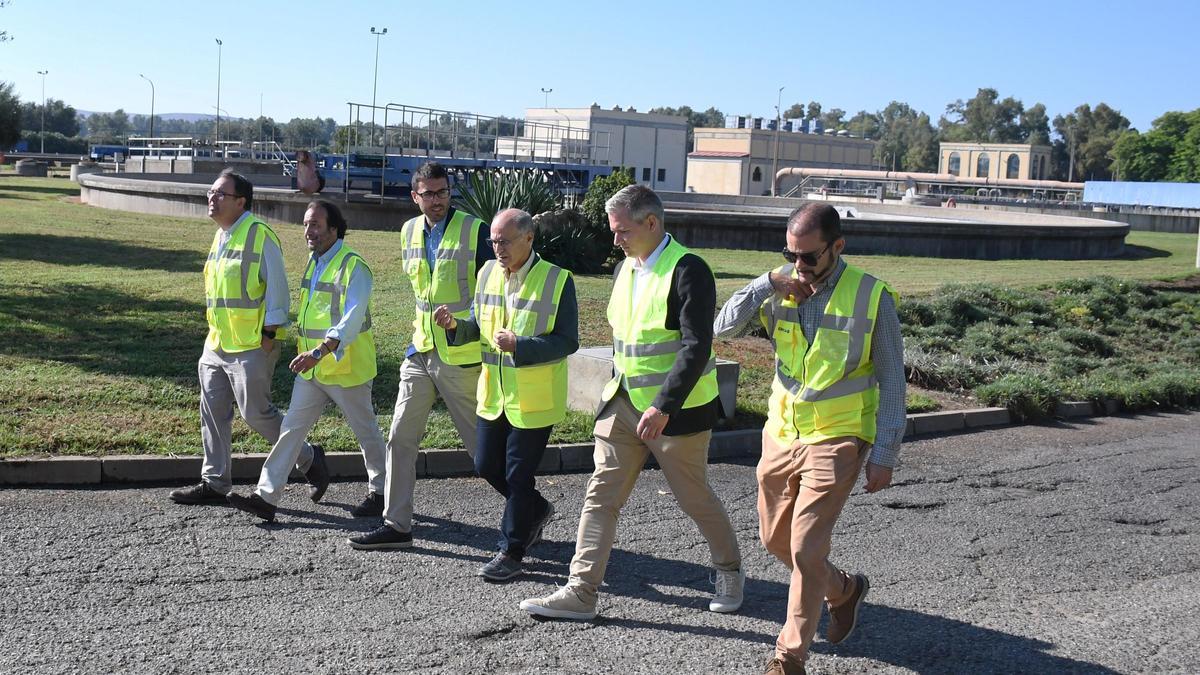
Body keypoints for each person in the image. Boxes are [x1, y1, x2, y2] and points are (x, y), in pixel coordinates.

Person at [520, 185, 743, 620]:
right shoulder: (624, 269)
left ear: (651, 223)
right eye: (614, 231)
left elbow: (696, 346)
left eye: (622, 231)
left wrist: (663, 406)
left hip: (676, 413)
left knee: (694, 497)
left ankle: (729, 570)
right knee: (600, 495)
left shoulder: (688, 270)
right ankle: (581, 592)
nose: (615, 239)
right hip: (621, 402)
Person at [713, 203, 906, 675]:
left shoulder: (871, 296)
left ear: (837, 246)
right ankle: (843, 590)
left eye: (809, 256)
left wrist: (885, 452)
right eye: (790, 254)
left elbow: (892, 381)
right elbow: (723, 327)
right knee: (774, 538)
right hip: (782, 432)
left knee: (804, 547)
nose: (799, 265)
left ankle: (789, 656)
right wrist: (766, 282)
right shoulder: (779, 284)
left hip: (839, 435)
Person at [348, 162, 492, 550]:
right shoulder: (408, 231)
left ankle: (528, 508)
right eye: (428, 194)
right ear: (415, 196)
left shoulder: (475, 230)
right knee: (400, 437)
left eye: (443, 191)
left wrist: (464, 324)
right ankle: (397, 524)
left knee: (481, 449)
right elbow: (422, 293)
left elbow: (492, 290)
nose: (437, 200)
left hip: (461, 353)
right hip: (420, 349)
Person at [434, 208, 579, 581]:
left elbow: (567, 341)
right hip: (493, 394)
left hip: (534, 399)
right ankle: (537, 509)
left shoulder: (557, 280)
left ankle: (512, 551)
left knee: (517, 475)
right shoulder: (487, 273)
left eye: (505, 241)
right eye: (493, 241)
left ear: (529, 238)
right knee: (485, 465)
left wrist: (521, 345)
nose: (497, 248)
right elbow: (479, 327)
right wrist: (455, 327)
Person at [226, 200, 388, 522]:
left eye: (315, 224)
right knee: (291, 430)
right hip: (312, 370)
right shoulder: (315, 263)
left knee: (366, 433)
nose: (308, 231)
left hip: (346, 368)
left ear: (334, 228)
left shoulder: (354, 266)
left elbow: (351, 320)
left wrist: (318, 352)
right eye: (305, 225)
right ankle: (265, 497)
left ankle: (383, 492)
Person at [170, 169, 324, 506]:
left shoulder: (259, 234)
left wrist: (269, 336)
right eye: (211, 192)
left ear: (241, 202)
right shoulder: (222, 235)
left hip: (252, 344)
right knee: (212, 412)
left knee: (257, 415)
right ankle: (214, 483)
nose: (212, 198)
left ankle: (309, 458)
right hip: (217, 344)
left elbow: (278, 290)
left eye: (220, 194)